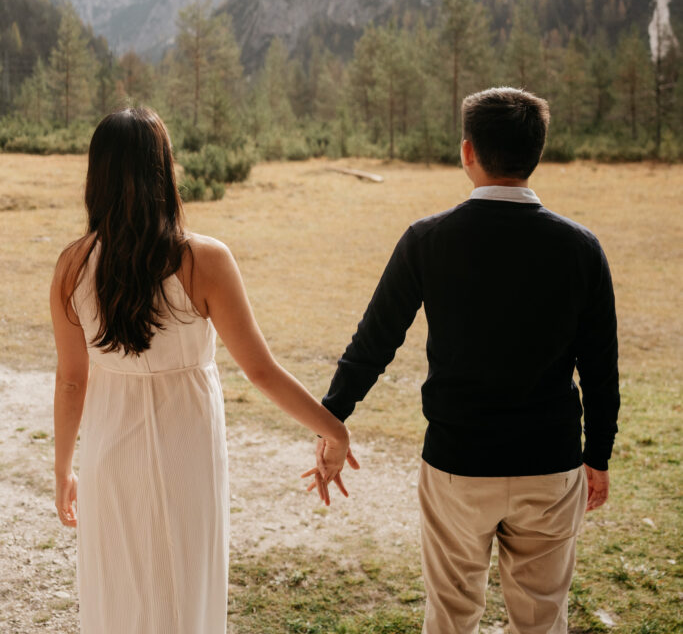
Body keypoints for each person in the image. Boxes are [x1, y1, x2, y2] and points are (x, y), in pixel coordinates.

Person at [309, 87, 619, 634]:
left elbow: (374, 342)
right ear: (537, 152)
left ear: (467, 151)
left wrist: (331, 421)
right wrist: (597, 454)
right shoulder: (581, 247)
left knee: (451, 619)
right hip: (550, 466)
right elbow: (600, 367)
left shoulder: (427, 239)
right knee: (543, 619)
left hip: (457, 466)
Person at [51, 106, 355, 634]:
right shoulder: (205, 260)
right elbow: (261, 371)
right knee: (185, 582)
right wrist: (334, 430)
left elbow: (71, 380)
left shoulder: (72, 266)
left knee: (117, 587)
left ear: (96, 176)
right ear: (164, 171)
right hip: (187, 450)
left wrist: (62, 470)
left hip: (109, 453)